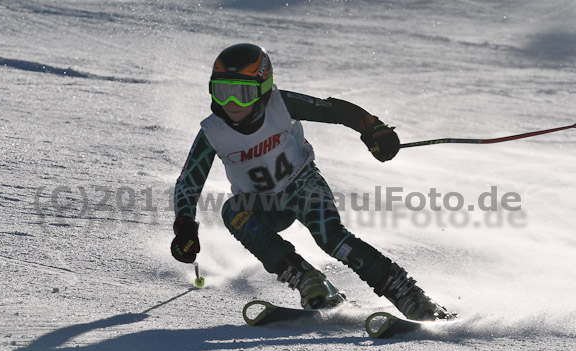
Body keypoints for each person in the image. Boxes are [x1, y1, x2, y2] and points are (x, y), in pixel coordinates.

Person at [171, 43, 452, 321]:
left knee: (331, 238)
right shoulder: (212, 132)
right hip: (264, 206)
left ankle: (407, 293)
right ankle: (306, 278)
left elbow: (332, 110)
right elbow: (189, 182)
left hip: (302, 184)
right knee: (233, 211)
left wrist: (372, 128)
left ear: (264, 89)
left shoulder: (279, 105)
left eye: (243, 94)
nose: (231, 104)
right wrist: (185, 227)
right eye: (223, 92)